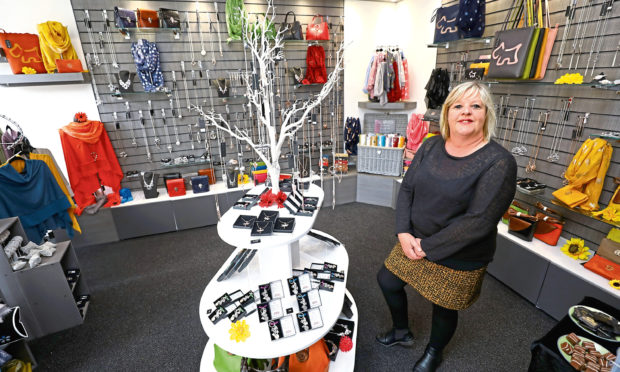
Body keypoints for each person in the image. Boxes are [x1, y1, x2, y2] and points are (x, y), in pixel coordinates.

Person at [376, 82, 517, 372]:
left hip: (460, 251)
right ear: (448, 113)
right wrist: (403, 233)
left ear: (486, 114)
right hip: (414, 239)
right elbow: (407, 191)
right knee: (387, 280)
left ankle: (434, 352)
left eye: (475, 106)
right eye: (458, 106)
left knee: (444, 305)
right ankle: (401, 331)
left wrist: (426, 248)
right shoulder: (430, 145)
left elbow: (479, 221)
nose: (466, 112)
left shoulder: (499, 162)